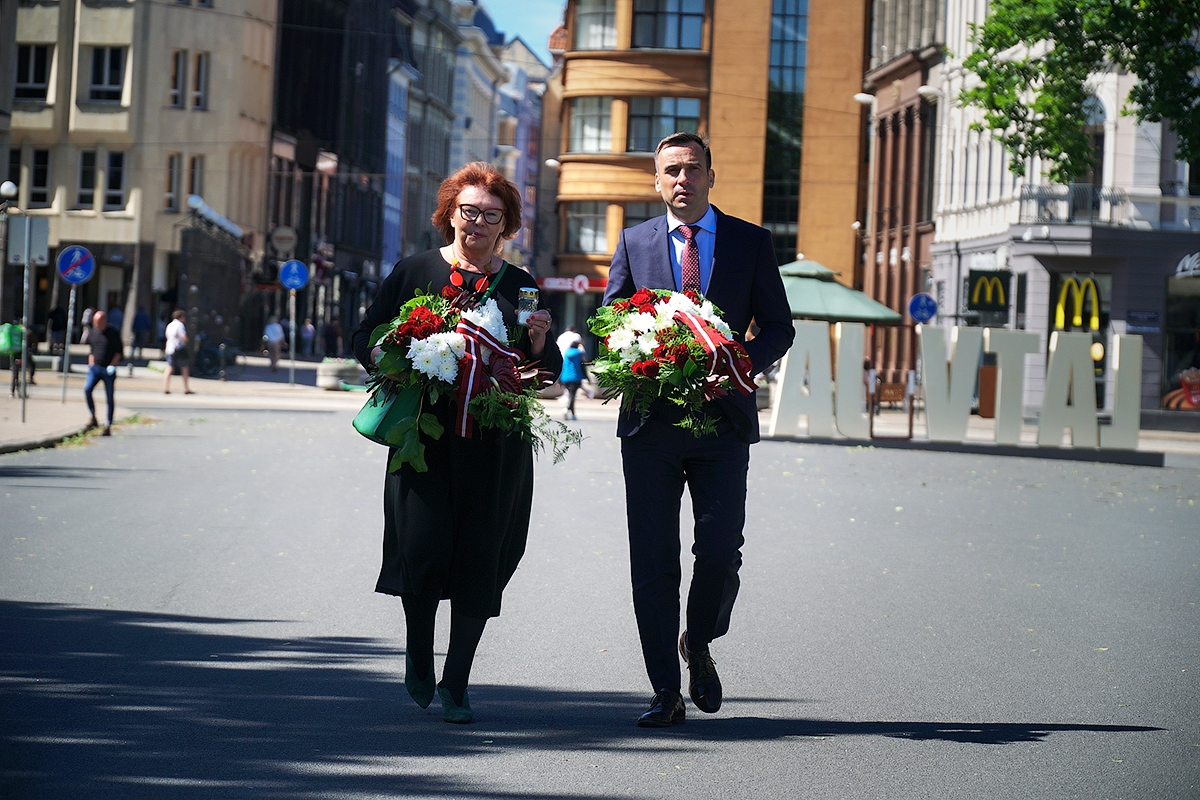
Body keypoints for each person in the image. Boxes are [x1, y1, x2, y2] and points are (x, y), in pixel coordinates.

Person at [352, 161, 561, 724]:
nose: (479, 224)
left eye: (492, 216)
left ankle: (458, 680)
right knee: (421, 550)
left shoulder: (520, 286)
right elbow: (365, 335)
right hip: (425, 435)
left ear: (506, 224)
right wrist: (387, 359)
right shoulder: (414, 270)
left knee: (480, 557)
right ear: (450, 214)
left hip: (494, 445)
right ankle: (419, 651)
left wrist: (539, 343)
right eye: (469, 212)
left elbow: (546, 370)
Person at [602, 132, 795, 728]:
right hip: (651, 426)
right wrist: (631, 354)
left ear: (712, 175)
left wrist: (737, 363)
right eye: (670, 171)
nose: (682, 179)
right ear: (656, 182)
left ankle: (700, 640)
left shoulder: (750, 241)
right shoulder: (634, 242)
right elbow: (609, 322)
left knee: (718, 552)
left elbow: (779, 328)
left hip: (723, 423)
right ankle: (665, 691)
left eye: (692, 169)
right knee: (653, 559)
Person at [83, 310, 123, 436]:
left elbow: (119, 352)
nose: (97, 325)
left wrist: (112, 365)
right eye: (95, 323)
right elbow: (92, 350)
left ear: (105, 321)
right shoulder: (94, 333)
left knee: (109, 397)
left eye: (99, 323)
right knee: (87, 389)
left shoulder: (113, 333)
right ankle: (93, 416)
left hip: (108, 370)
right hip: (96, 368)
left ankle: (108, 424)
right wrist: (91, 363)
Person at [163, 310, 193, 395]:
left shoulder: (170, 325)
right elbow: (183, 336)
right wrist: (187, 341)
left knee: (169, 367)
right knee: (184, 368)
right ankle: (186, 388)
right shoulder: (180, 325)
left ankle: (166, 387)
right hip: (179, 348)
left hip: (169, 348)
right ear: (181, 317)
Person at [560, 339, 586, 420]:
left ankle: (573, 414)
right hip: (575, 377)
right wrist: (586, 377)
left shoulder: (566, 353)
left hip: (565, 377)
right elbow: (583, 366)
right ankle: (567, 409)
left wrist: (559, 380)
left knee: (571, 394)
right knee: (572, 395)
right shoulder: (579, 354)